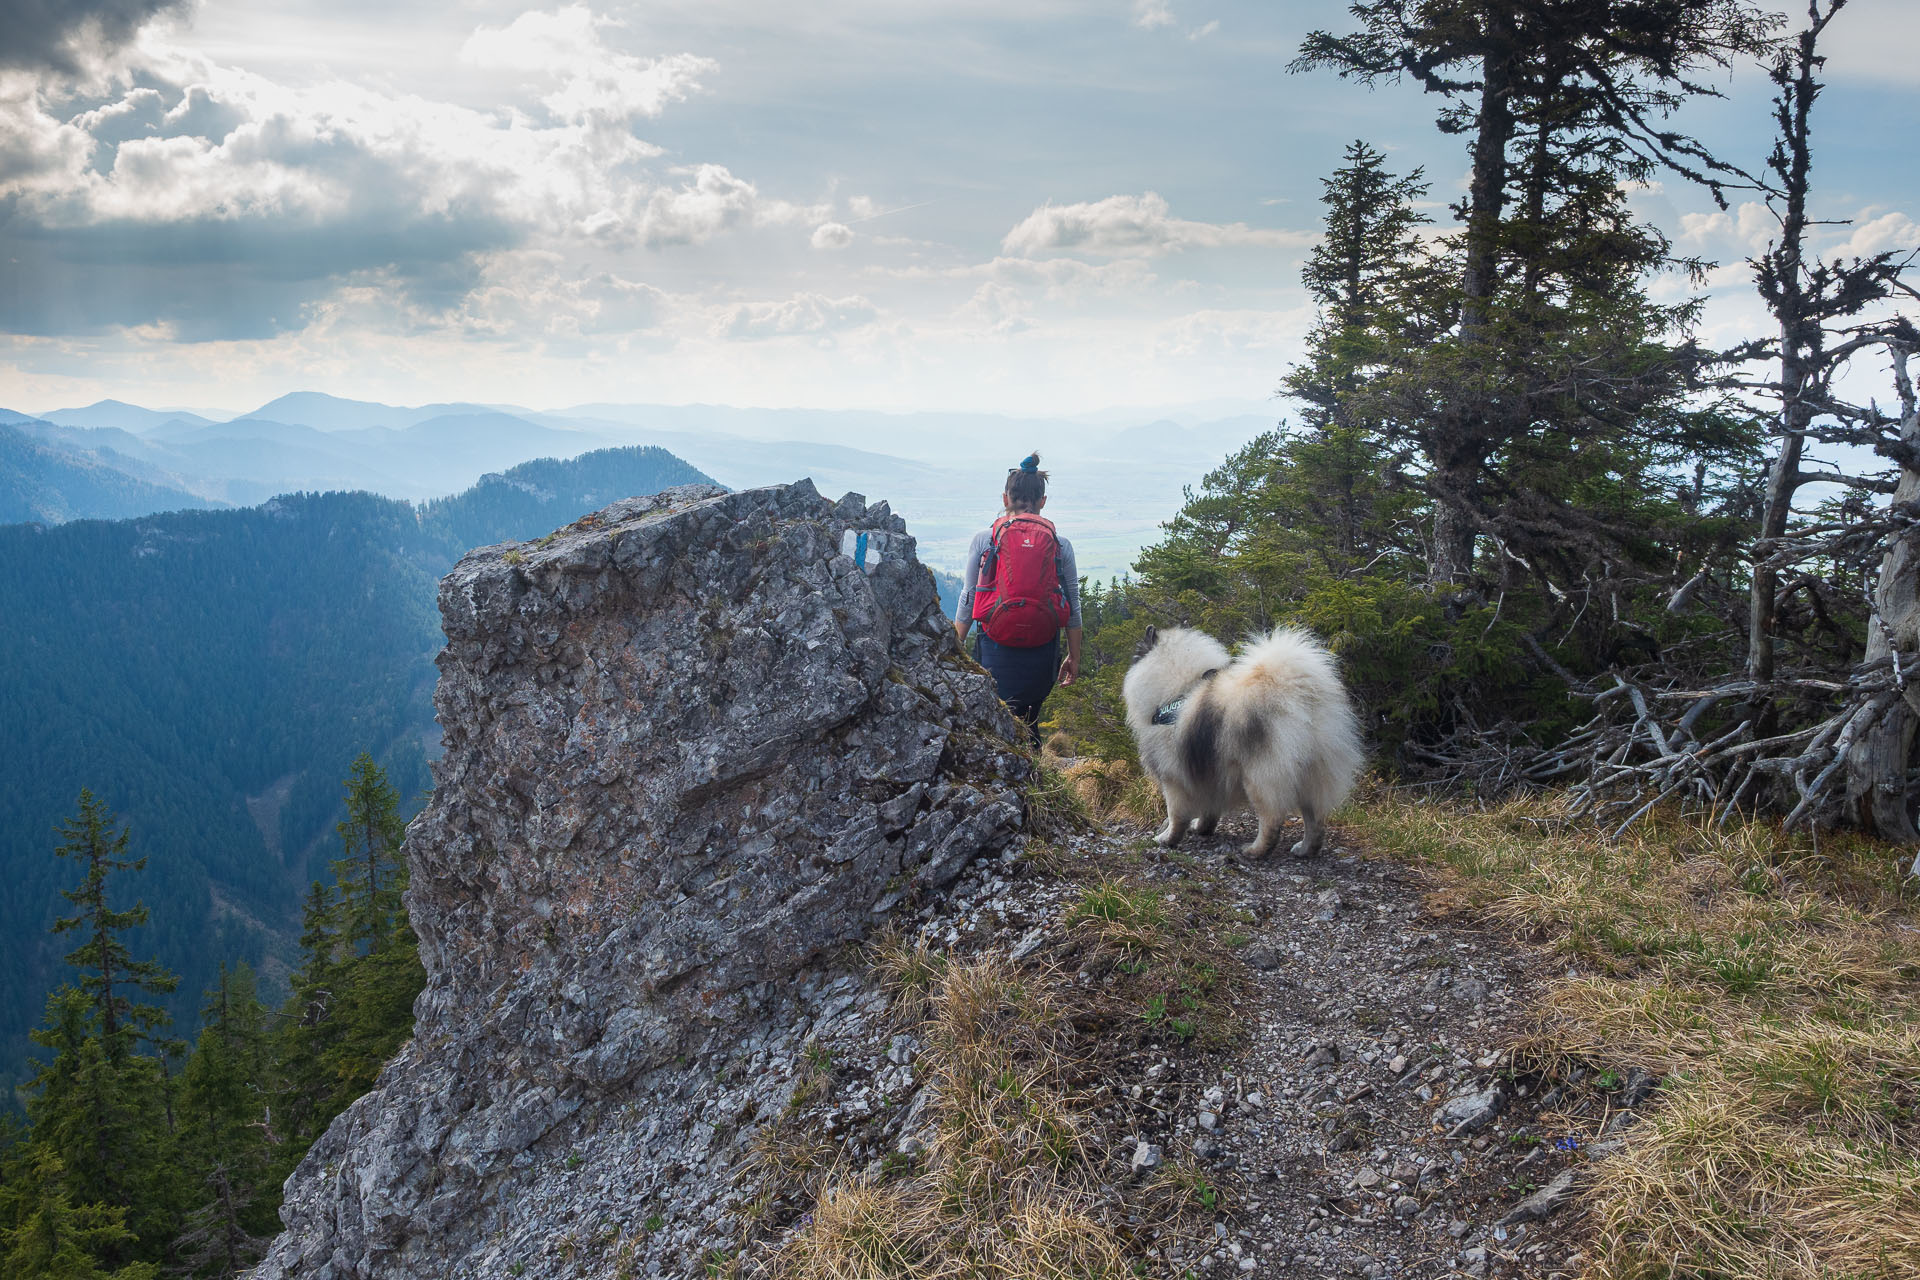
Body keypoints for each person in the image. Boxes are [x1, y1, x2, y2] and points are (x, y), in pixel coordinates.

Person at [953, 453, 1083, 748]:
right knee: (1029, 720)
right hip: (1041, 651)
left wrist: (955, 648)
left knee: (996, 724)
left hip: (995, 649)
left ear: (1005, 497)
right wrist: (1074, 657)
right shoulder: (1061, 544)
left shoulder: (984, 539)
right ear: (1043, 501)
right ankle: (1035, 787)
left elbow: (968, 597)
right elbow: (1073, 604)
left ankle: (1002, 784)